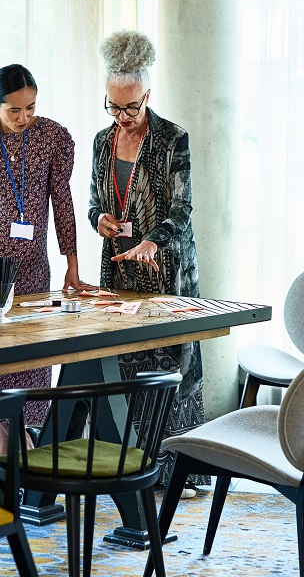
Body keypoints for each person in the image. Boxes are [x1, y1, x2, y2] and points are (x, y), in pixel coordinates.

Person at [0, 63, 90, 455]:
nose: (25, 118)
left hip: (30, 271)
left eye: (31, 108)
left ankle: (11, 467)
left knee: (26, 365)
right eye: (15, 111)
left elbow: (62, 202)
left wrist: (71, 262)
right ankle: (12, 465)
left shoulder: (52, 137)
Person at [86, 30, 206, 495]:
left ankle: (181, 469)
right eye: (113, 107)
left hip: (165, 269)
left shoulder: (173, 138)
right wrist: (101, 220)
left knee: (173, 368)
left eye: (131, 107)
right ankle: (138, 464)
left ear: (147, 95)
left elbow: (182, 208)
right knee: (129, 369)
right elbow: (95, 199)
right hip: (119, 269)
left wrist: (154, 241)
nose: (122, 117)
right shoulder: (102, 140)